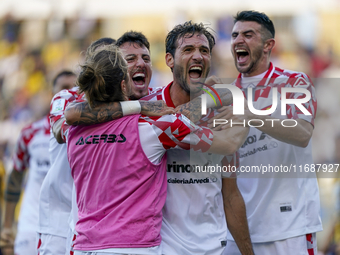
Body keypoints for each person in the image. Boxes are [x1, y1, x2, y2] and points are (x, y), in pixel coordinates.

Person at [65, 22, 254, 255]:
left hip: (209, 246)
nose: (197, 56)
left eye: (204, 51)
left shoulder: (76, 128)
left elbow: (231, 194)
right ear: (169, 60)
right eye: (187, 50)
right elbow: (72, 112)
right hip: (150, 246)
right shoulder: (148, 119)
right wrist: (221, 100)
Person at [222, 11, 322, 255]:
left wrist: (249, 114)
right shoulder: (223, 94)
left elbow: (302, 134)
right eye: (235, 35)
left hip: (290, 228)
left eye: (248, 34)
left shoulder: (294, 82)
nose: (238, 40)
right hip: (238, 231)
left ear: (269, 45)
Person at [0, 70, 76, 255]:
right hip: (31, 226)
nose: (70, 93)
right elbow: (15, 177)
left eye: (75, 88)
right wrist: (7, 227)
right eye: (64, 88)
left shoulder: (86, 134)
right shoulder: (30, 133)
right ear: (53, 95)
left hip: (70, 227)